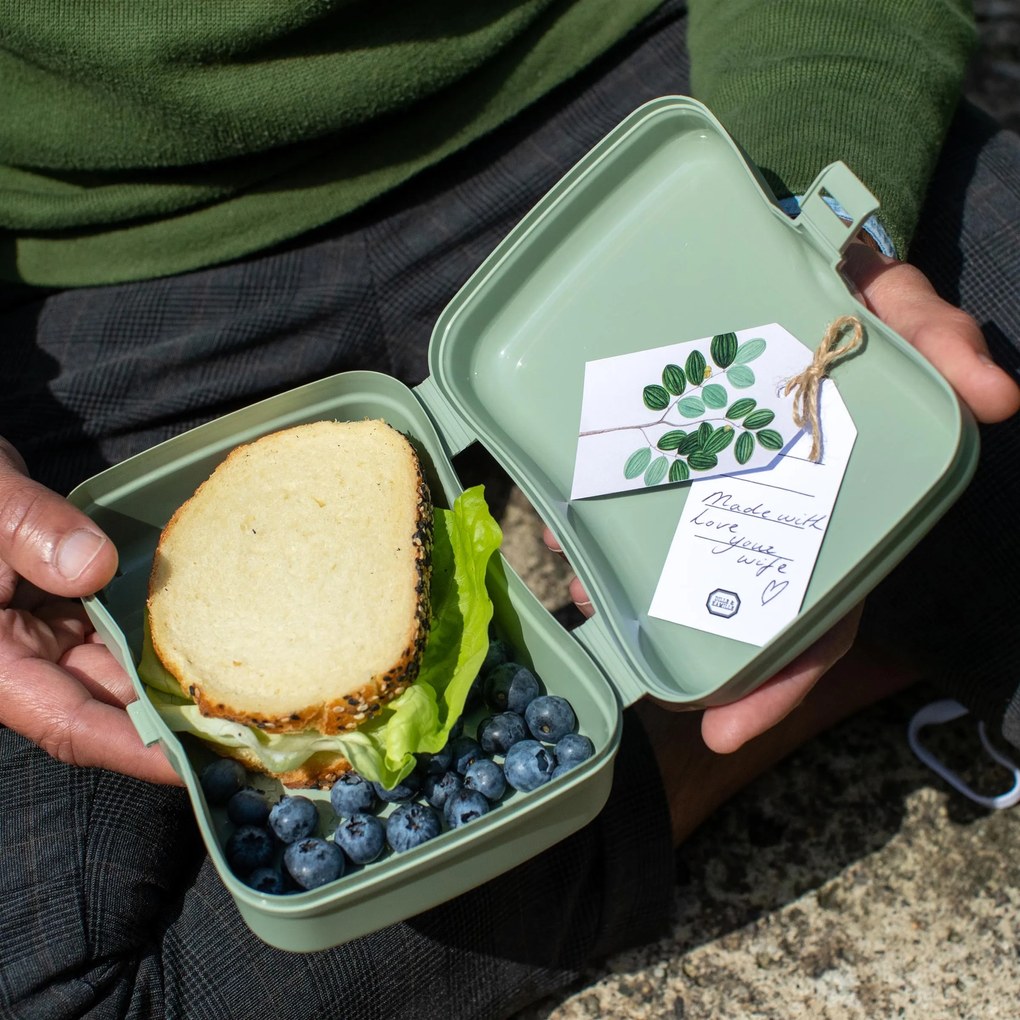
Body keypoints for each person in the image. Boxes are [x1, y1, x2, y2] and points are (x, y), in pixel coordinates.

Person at [1, 1, 1018, 1016]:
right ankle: (762, 679)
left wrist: (786, 223)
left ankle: (807, 627)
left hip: (614, 117)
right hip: (107, 269)